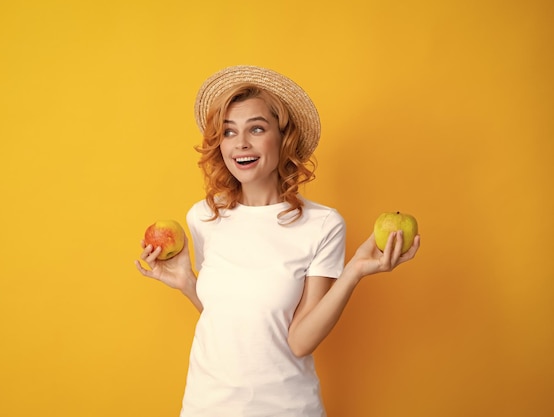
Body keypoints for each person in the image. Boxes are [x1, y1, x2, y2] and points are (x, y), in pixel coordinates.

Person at [136, 65, 420, 417]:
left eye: (256, 128)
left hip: (285, 409)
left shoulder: (322, 225)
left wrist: (354, 271)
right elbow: (233, 318)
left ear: (283, 139)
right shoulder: (204, 217)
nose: (241, 143)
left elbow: (299, 342)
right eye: (228, 132)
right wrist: (188, 284)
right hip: (205, 406)